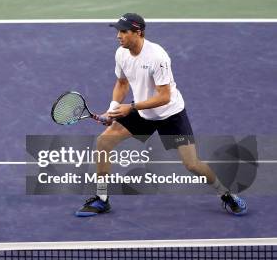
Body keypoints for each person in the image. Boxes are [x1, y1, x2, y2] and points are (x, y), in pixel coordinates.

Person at [75, 13, 247, 217]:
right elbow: (122, 83)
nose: (118, 36)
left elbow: (165, 97)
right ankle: (102, 199)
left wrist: (130, 107)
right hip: (142, 111)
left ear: (137, 32)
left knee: (192, 164)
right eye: (117, 31)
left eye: (123, 31)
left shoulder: (157, 56)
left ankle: (225, 195)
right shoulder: (121, 54)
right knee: (103, 143)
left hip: (169, 114)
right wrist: (113, 109)